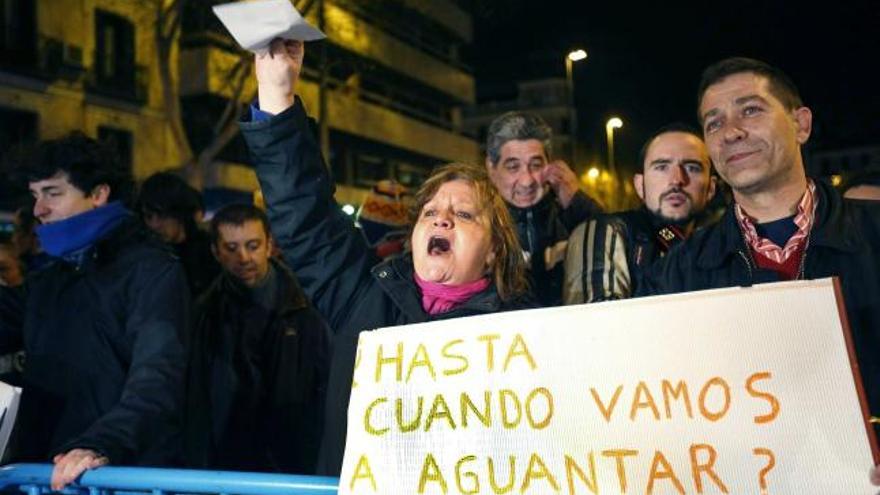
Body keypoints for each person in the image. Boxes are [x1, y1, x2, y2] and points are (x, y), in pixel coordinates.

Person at [239, 38, 533, 475]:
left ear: (493, 251)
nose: (442, 220)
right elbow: (305, 217)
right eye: (430, 212)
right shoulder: (362, 295)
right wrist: (276, 93)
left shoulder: (527, 333)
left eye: (464, 214)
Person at [642, 57, 880, 442]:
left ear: (801, 124)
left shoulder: (873, 232)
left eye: (750, 110)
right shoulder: (674, 277)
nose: (731, 132)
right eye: (714, 122)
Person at [0, 132, 189, 490]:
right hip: (44, 473)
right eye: (35, 195)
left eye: (53, 193)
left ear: (98, 194)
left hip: (113, 474)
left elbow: (158, 377)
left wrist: (102, 442)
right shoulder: (50, 278)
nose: (38, 209)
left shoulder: (152, 271)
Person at [184, 203, 331, 473]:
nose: (243, 258)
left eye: (252, 245)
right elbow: (198, 399)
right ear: (216, 252)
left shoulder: (308, 307)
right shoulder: (204, 313)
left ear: (269, 245)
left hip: (297, 464)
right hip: (230, 464)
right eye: (231, 248)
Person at [564, 124, 717, 303]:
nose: (677, 180)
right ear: (639, 185)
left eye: (692, 168)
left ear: (711, 188)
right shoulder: (608, 233)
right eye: (661, 167)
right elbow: (598, 325)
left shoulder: (724, 243)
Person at [485, 112, 603, 306]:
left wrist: (577, 202)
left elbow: (613, 247)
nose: (527, 180)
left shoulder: (573, 216)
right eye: (513, 167)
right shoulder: (478, 227)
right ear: (491, 168)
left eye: (536, 165)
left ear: (550, 164)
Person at [138, 172, 219, 297]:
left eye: (162, 216)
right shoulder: (145, 255)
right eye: (148, 216)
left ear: (179, 212)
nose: (154, 224)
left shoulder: (209, 253)